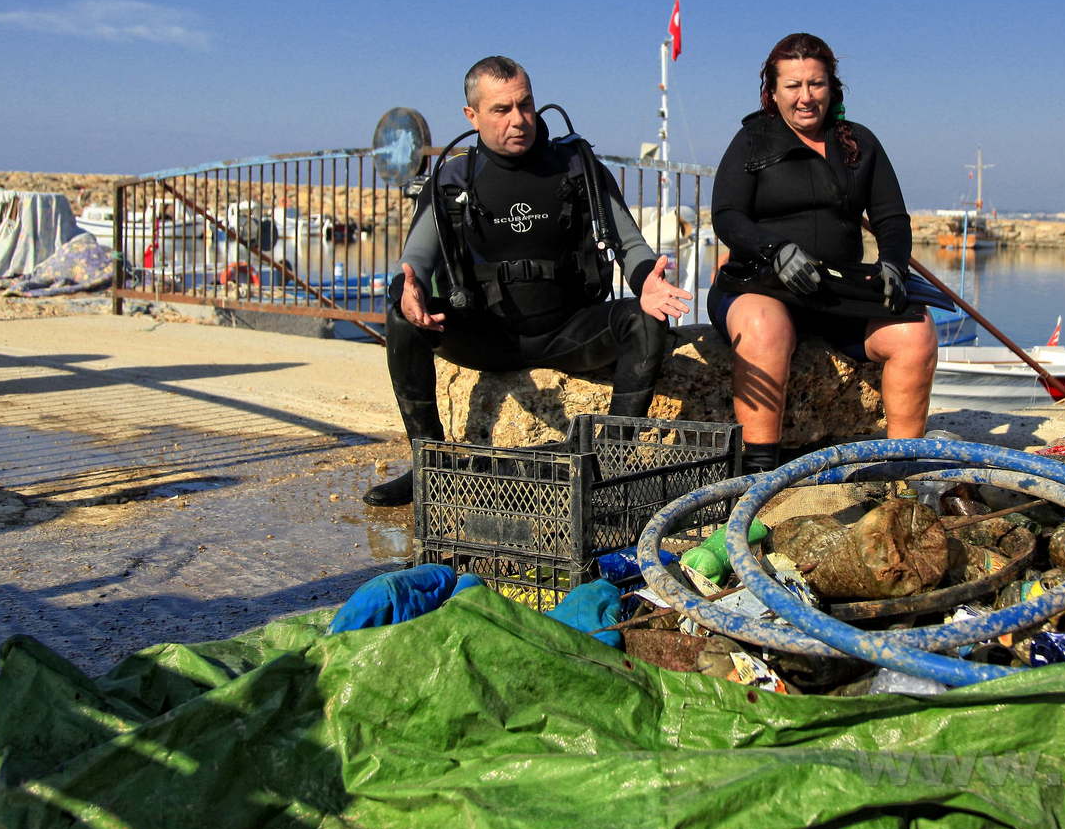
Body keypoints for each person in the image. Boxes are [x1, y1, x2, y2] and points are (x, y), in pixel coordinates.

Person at [366, 55, 692, 505]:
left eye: (526, 105)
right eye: (501, 110)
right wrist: (409, 290)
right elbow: (414, 263)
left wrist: (646, 282)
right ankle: (428, 463)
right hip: (487, 334)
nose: (519, 120)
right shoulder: (453, 178)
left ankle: (611, 464)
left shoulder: (577, 167)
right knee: (400, 317)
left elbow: (630, 243)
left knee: (646, 318)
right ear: (472, 116)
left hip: (566, 331)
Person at [709, 33, 937, 474]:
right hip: (759, 285)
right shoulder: (751, 141)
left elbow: (891, 218)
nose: (805, 97)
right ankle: (758, 474)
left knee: (916, 330)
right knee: (764, 327)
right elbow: (728, 217)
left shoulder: (859, 144)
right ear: (772, 92)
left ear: (832, 87)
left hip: (834, 291)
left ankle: (901, 472)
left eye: (815, 84)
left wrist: (892, 262)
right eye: (793, 86)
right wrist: (776, 250)